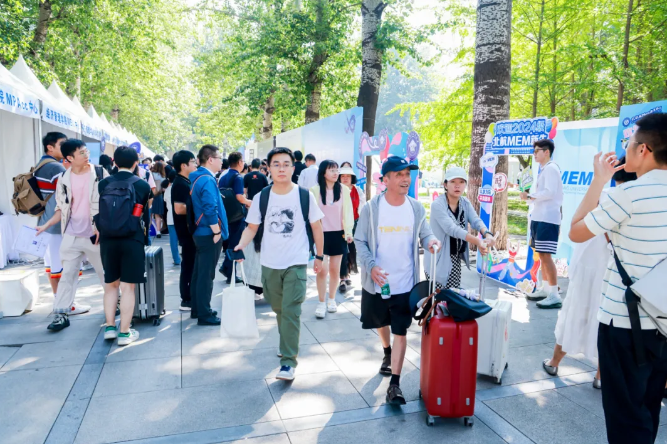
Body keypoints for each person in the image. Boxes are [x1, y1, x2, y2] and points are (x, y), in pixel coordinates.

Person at [569, 113, 667, 444]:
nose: (626, 149)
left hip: (624, 324)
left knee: (626, 417)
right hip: (664, 324)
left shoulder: (626, 195)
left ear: (644, 149)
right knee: (649, 408)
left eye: (629, 143)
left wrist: (599, 180)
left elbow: (576, 231)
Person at [543, 160, 637, 390]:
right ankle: (600, 376)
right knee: (608, 320)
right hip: (615, 271)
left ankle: (554, 362)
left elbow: (576, 228)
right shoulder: (640, 201)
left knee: (575, 312)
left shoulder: (603, 195)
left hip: (589, 266)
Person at [354, 156, 440, 405]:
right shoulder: (371, 208)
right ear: (386, 179)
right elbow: (360, 240)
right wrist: (371, 266)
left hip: (405, 283)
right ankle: (386, 351)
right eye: (399, 174)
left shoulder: (416, 208)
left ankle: (395, 385)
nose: (405, 179)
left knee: (400, 330)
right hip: (378, 282)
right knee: (381, 322)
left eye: (407, 174)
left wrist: (431, 241)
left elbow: (425, 234)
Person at [235, 147, 325, 381]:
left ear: (293, 168)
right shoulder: (261, 197)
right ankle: (286, 340)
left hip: (296, 262)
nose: (281, 168)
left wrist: (319, 256)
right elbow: (252, 228)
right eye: (276, 164)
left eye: (286, 164)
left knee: (291, 310)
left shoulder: (305, 196)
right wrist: (240, 245)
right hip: (269, 263)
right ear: (269, 168)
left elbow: (316, 227)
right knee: (279, 308)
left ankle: (288, 361)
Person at [35, 139, 108, 331]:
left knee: (105, 273)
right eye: (81, 153)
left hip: (95, 234)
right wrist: (46, 225)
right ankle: (61, 314)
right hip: (71, 235)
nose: (86, 155)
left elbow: (109, 202)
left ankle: (115, 303)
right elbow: (60, 208)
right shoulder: (64, 179)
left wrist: (103, 227)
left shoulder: (99, 173)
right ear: (69, 158)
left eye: (86, 151)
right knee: (67, 275)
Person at [97, 146, 152, 345]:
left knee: (111, 286)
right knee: (128, 288)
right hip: (132, 239)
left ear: (115, 162)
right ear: (136, 163)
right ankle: (124, 332)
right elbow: (144, 213)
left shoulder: (103, 183)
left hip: (108, 239)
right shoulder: (142, 185)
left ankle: (110, 327)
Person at [424, 167, 495, 291]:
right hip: (438, 259)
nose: (457, 186)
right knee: (437, 297)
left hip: (455, 257)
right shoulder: (437, 205)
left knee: (454, 296)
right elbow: (452, 229)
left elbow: (476, 220)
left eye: (461, 182)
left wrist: (487, 234)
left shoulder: (465, 202)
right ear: (445, 184)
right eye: (453, 182)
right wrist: (477, 241)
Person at [520, 139, 564, 308]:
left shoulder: (551, 168)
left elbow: (549, 192)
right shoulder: (544, 169)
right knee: (542, 254)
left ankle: (554, 294)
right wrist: (529, 197)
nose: (535, 154)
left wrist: (531, 196)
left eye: (537, 151)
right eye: (534, 151)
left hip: (548, 219)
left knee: (546, 255)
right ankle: (546, 289)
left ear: (547, 152)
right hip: (540, 217)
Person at [190, 145, 229, 325]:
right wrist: (217, 231)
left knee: (199, 273)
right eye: (219, 157)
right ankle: (204, 314)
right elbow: (209, 208)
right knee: (206, 276)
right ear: (210, 159)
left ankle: (198, 309)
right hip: (208, 233)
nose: (222, 161)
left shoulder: (198, 177)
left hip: (201, 232)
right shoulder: (207, 180)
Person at [310, 160, 354, 319]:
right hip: (321, 234)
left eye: (337, 170)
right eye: (332, 170)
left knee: (335, 270)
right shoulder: (314, 191)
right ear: (323, 173)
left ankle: (332, 299)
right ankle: (321, 302)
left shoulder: (343, 190)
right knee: (322, 270)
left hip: (338, 234)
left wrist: (348, 231)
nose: (336, 173)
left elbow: (348, 212)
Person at [36, 132, 68, 297]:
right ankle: (64, 304)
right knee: (60, 266)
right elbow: (69, 194)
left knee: (51, 266)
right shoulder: (56, 167)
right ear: (50, 147)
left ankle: (59, 301)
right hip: (56, 223)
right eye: (62, 144)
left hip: (45, 221)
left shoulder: (40, 164)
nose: (66, 147)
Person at [171, 150, 198, 311]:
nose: (195, 164)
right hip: (186, 232)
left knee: (191, 264)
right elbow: (179, 208)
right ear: (183, 165)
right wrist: (199, 208)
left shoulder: (186, 181)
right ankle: (186, 299)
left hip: (189, 231)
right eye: (192, 161)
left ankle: (190, 296)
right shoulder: (180, 183)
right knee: (188, 264)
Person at [218, 151, 251, 284]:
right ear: (239, 162)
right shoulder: (237, 177)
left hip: (226, 213)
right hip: (237, 215)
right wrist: (249, 202)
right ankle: (230, 271)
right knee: (236, 243)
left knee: (231, 241)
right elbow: (239, 197)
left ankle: (226, 267)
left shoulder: (223, 176)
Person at [338, 162, 366, 292]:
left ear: (352, 177)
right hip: (339, 224)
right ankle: (342, 278)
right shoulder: (336, 190)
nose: (345, 178)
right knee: (342, 251)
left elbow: (361, 208)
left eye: (348, 176)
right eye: (342, 176)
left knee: (351, 250)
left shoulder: (358, 191)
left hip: (354, 223)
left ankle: (347, 273)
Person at [162, 177, 181, 265]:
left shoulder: (167, 190)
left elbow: (165, 200)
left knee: (173, 239)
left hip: (170, 216)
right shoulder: (180, 187)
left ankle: (176, 259)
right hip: (181, 216)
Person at [151, 161, 167, 237]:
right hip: (159, 195)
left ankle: (148, 230)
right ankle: (158, 231)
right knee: (158, 215)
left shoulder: (151, 174)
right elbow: (163, 188)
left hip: (150, 195)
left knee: (150, 214)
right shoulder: (163, 176)